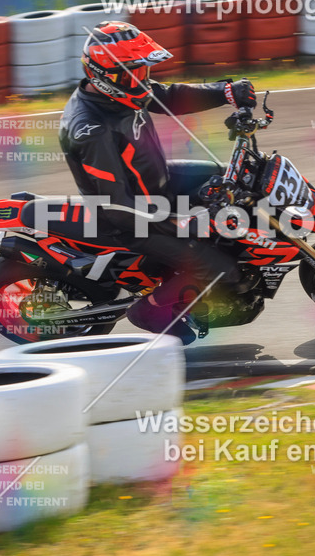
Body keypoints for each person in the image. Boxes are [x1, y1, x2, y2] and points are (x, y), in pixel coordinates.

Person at [58, 20, 257, 344]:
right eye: (131, 73)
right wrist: (183, 220)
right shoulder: (91, 130)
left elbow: (166, 96)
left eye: (142, 71)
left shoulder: (124, 91)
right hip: (128, 220)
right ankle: (148, 311)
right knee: (221, 268)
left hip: (156, 181)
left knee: (231, 178)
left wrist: (224, 91)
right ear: (103, 74)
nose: (141, 80)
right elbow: (117, 207)